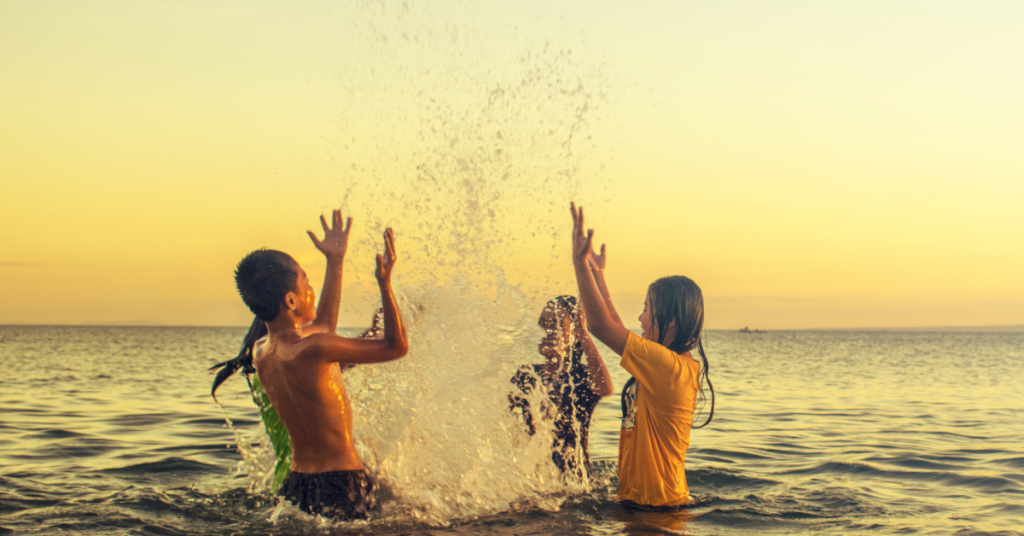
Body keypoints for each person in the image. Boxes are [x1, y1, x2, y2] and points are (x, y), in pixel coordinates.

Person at [227, 210, 408, 519]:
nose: (311, 289)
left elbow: (323, 323)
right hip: (341, 481)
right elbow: (395, 346)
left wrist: (335, 261)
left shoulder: (261, 352)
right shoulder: (312, 348)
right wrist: (385, 284)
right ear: (291, 300)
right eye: (306, 282)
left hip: (297, 485)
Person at [568, 202, 714, 508]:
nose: (641, 318)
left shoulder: (668, 368)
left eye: (647, 310)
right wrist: (598, 274)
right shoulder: (666, 364)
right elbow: (616, 328)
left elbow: (601, 326)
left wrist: (579, 264)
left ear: (671, 321)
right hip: (646, 507)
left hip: (657, 514)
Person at [509, 295, 614, 480]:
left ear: (575, 334)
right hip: (535, 481)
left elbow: (605, 388)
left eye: (556, 323)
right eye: (542, 323)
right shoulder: (527, 375)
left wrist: (582, 329)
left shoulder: (580, 378)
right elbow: (499, 414)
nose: (546, 330)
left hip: (576, 482)